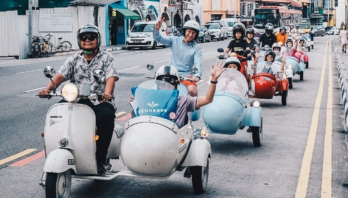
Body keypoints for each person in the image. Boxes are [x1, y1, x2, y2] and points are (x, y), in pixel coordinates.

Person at [39, 24, 119, 175]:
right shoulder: (74, 59)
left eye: (91, 37)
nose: (87, 40)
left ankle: (100, 160)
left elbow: (110, 78)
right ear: (79, 40)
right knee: (58, 115)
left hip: (99, 101)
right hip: (76, 100)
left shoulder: (107, 58)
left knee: (107, 116)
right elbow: (60, 76)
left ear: (97, 39)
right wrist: (47, 89)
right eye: (84, 37)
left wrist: (107, 94)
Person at [131, 62, 225, 128]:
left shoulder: (184, 100)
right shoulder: (149, 99)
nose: (166, 87)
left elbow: (207, 99)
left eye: (170, 84)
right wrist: (137, 100)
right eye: (163, 83)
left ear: (176, 85)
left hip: (176, 142)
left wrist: (213, 80)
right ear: (158, 85)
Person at [153, 17, 202, 97]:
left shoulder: (197, 48)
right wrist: (156, 29)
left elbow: (198, 63)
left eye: (193, 33)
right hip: (170, 74)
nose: (190, 35)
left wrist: (197, 76)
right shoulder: (174, 40)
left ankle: (193, 108)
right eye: (189, 31)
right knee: (156, 89)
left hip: (186, 76)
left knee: (192, 90)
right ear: (185, 31)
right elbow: (158, 38)